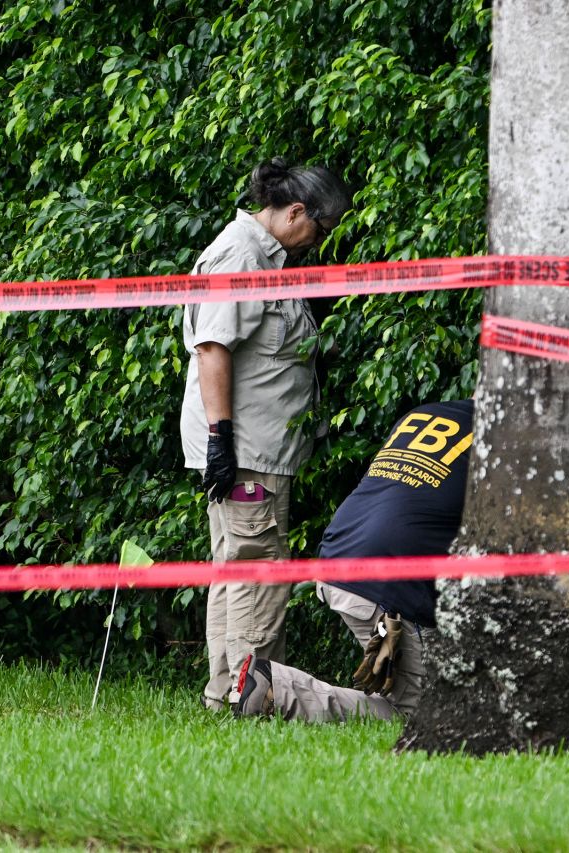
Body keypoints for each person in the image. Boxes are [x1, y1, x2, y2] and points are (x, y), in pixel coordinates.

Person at [181, 159, 352, 712]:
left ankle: (226, 693)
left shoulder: (268, 257)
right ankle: (253, 701)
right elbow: (212, 348)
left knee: (235, 568)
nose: (317, 243)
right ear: (296, 212)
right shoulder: (243, 255)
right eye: (319, 231)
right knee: (259, 572)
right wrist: (221, 439)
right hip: (247, 451)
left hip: (255, 448)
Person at [233, 398, 474, 722]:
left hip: (342, 554)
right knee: (426, 716)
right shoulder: (502, 439)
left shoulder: (425, 414)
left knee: (422, 691)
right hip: (385, 581)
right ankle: (277, 690)